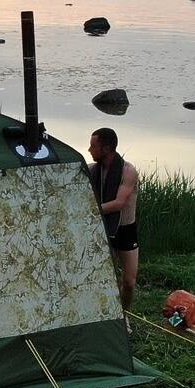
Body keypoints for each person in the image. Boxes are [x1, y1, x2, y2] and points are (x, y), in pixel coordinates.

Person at [88, 128, 139, 310]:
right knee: (101, 277)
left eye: (93, 146)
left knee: (129, 281)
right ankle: (105, 314)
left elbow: (118, 203)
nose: (89, 150)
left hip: (125, 229)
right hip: (101, 228)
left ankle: (124, 314)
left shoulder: (128, 171)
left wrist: (90, 210)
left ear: (107, 148)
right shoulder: (92, 170)